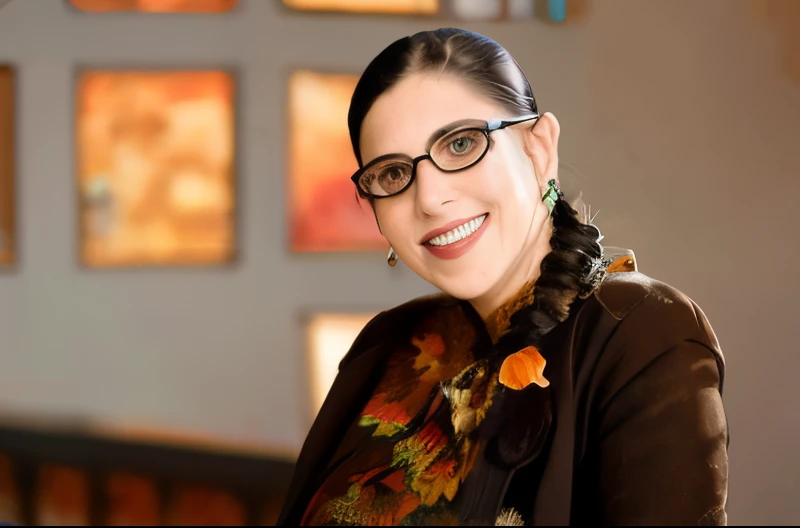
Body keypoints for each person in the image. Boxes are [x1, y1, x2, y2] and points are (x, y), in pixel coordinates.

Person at [277, 28, 729, 526]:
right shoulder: (388, 347)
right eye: (391, 174)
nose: (428, 199)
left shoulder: (641, 331)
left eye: (461, 144)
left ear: (539, 148)